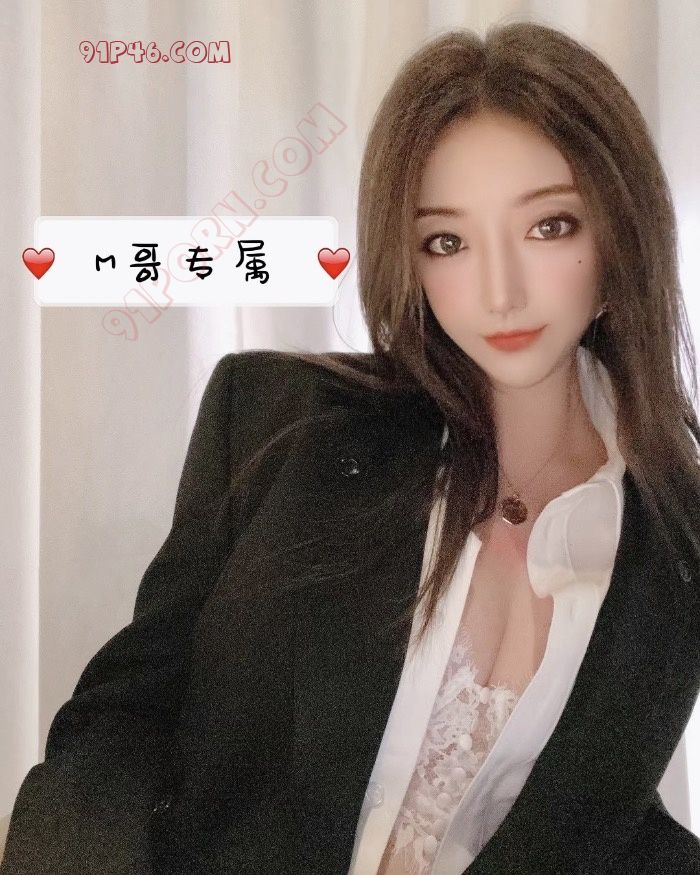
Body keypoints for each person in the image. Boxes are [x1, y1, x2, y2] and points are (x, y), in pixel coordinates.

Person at [2, 21, 700, 875]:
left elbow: (607, 819)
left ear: (622, 228)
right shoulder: (279, 420)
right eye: (447, 241)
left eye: (549, 226)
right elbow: (118, 725)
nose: (500, 290)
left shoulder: (675, 541)